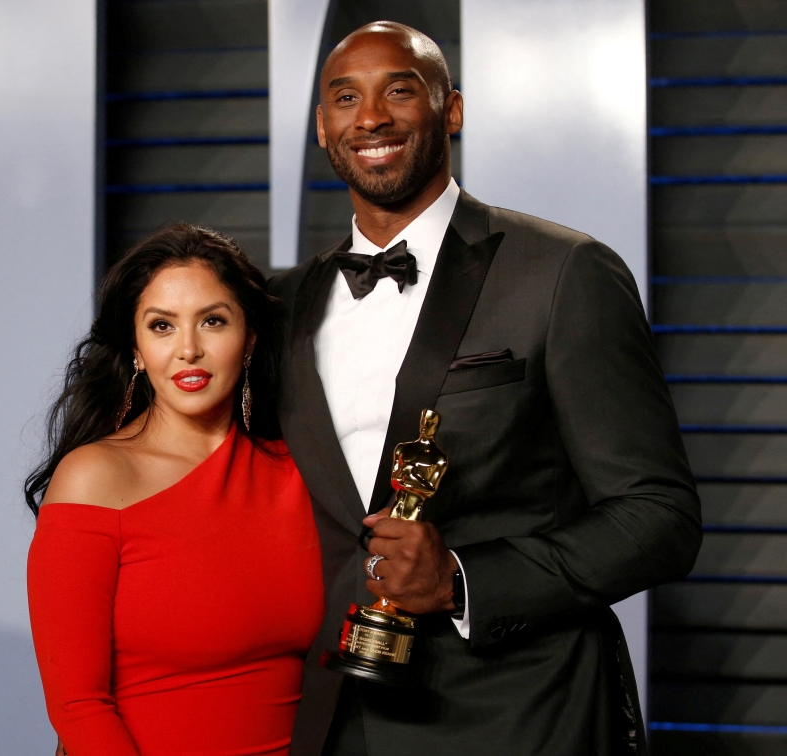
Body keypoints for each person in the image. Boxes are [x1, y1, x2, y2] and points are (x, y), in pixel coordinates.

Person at [270, 21, 702, 756]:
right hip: (332, 719)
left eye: (399, 91)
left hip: (523, 716)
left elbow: (660, 517)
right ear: (321, 127)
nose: (370, 117)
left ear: (453, 110)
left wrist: (464, 581)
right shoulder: (285, 306)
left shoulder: (563, 272)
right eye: (346, 97)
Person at [25, 224, 324, 756]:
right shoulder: (95, 477)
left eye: (212, 321)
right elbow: (77, 704)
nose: (189, 349)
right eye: (162, 326)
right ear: (136, 349)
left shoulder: (298, 472)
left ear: (249, 338)